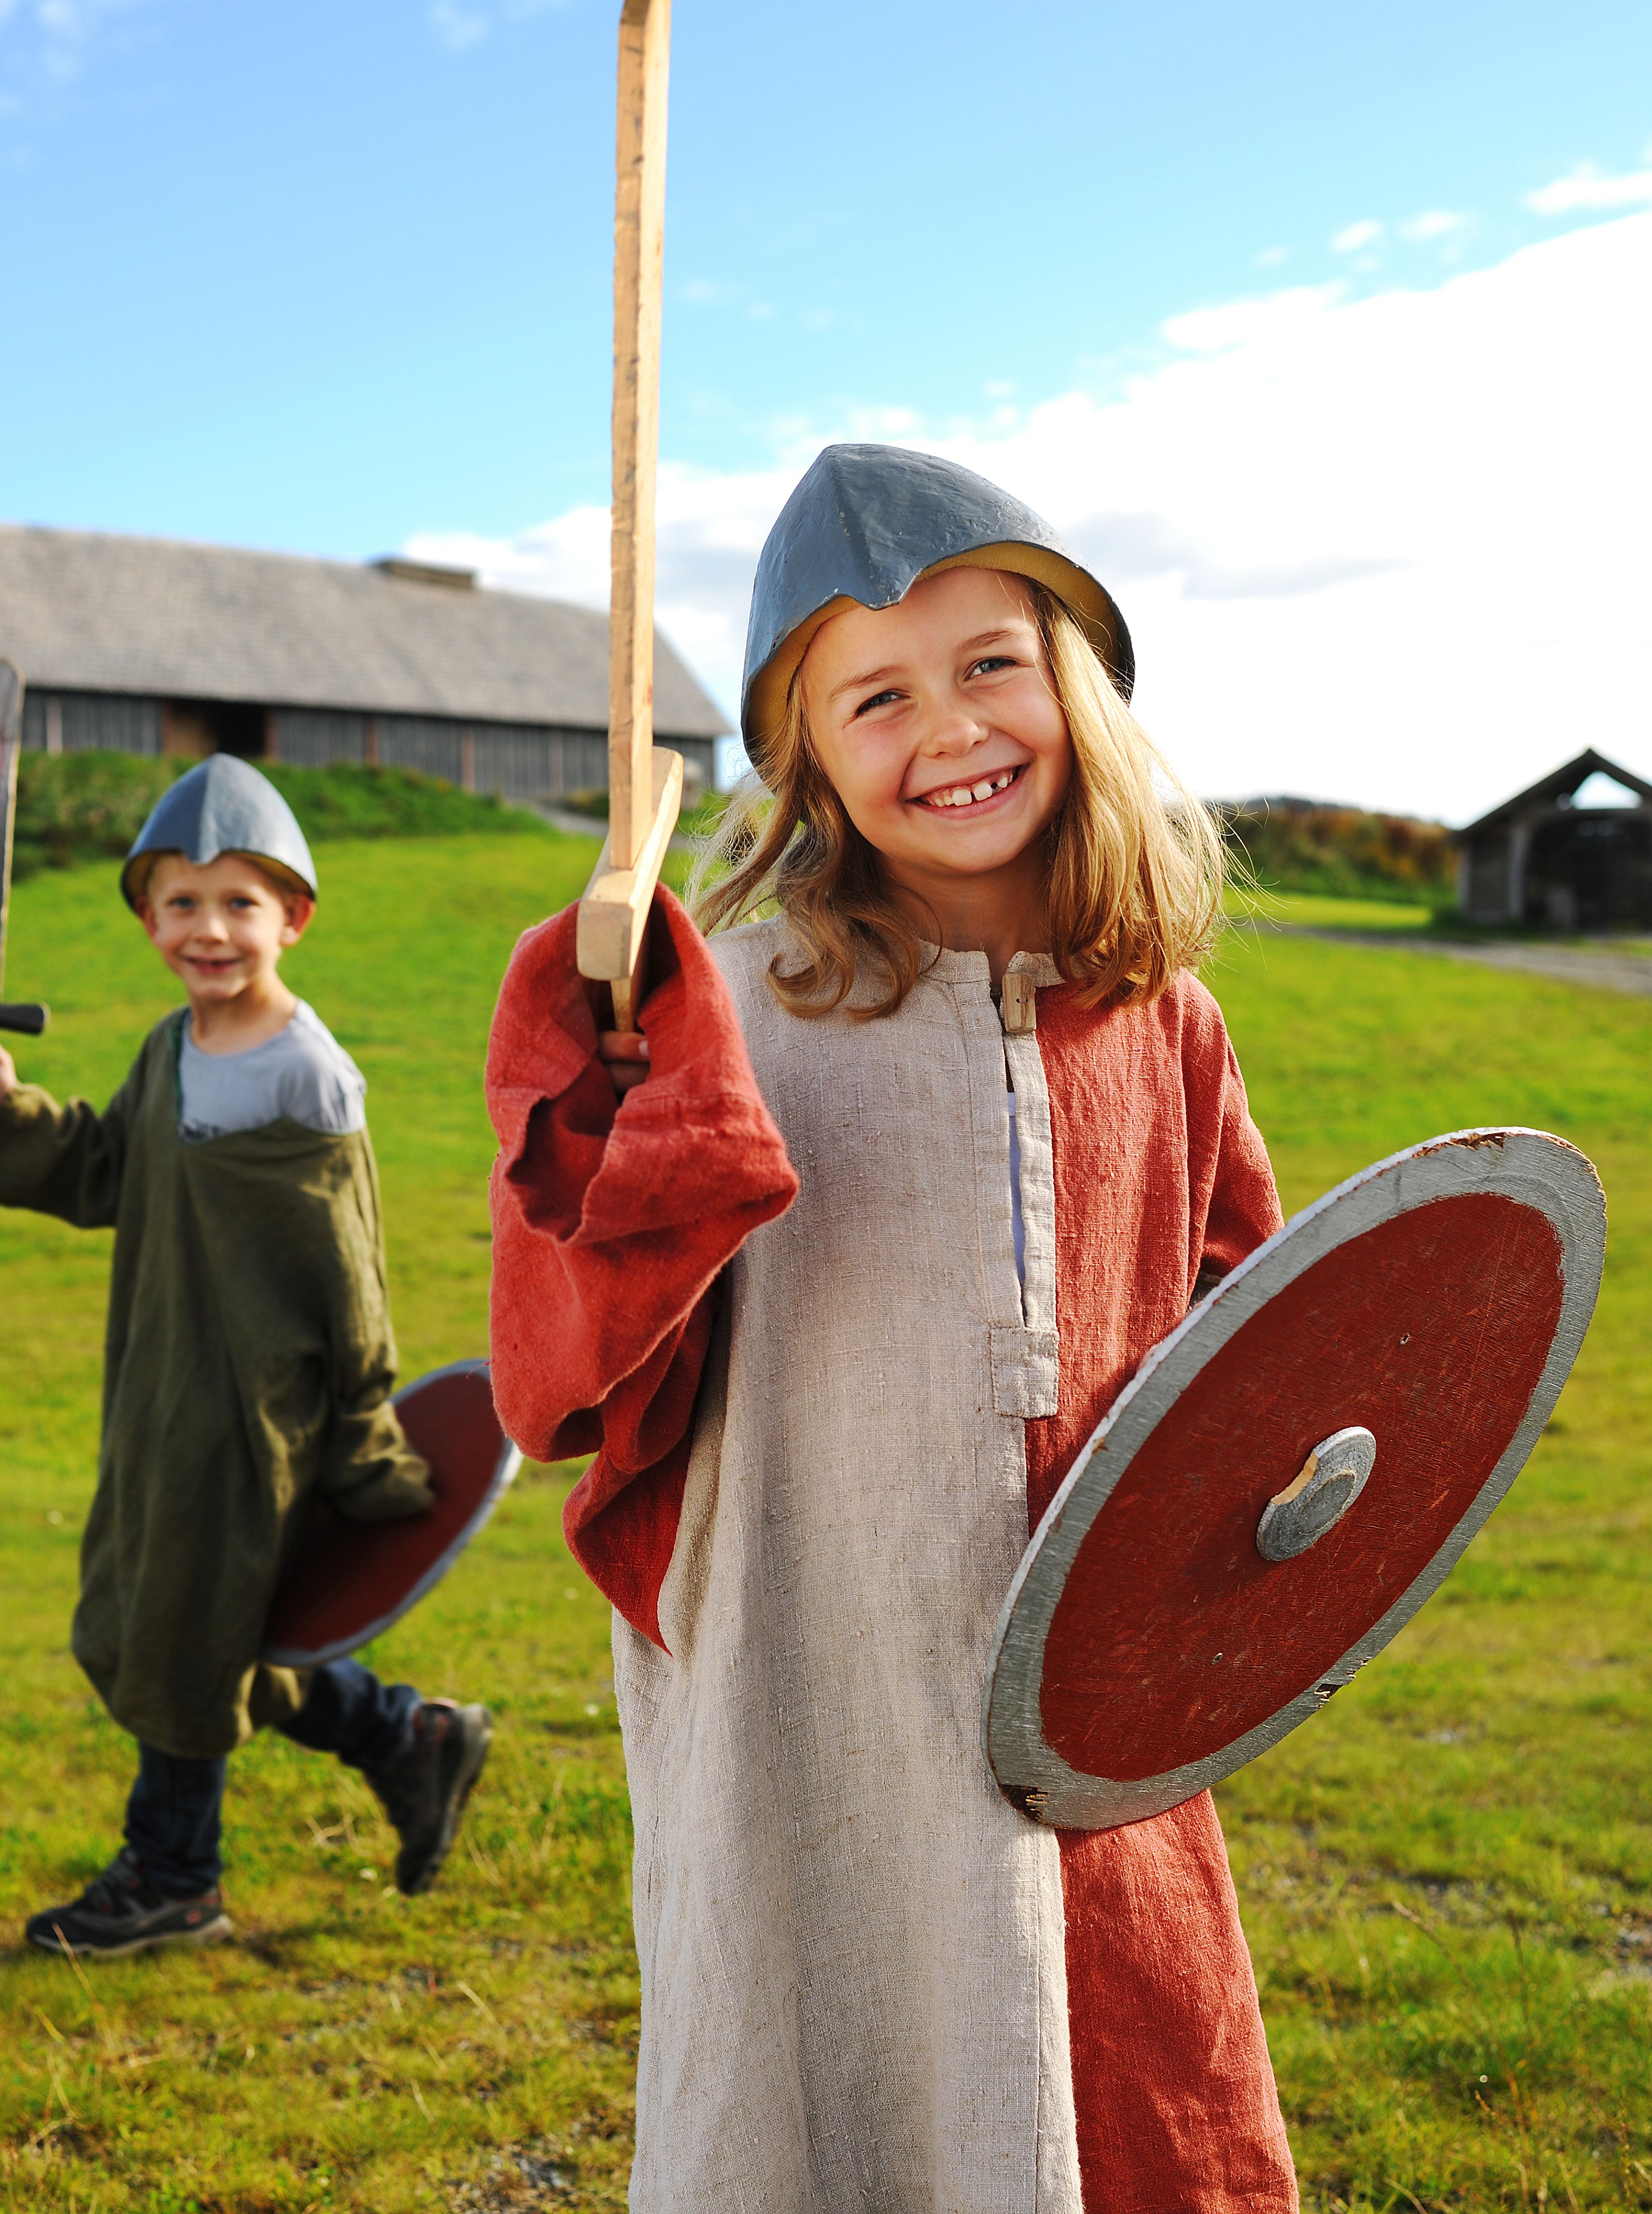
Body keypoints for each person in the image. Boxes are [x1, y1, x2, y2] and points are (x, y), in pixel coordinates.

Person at [484, 446, 1300, 2209]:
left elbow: (1267, 1350)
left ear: (1072, 680)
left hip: (1082, 1689)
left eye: (990, 663)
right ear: (811, 762)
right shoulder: (739, 1017)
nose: (950, 727)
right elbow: (576, 1369)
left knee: (1118, 2083)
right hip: (814, 1673)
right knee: (826, 2087)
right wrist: (601, 1092)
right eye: (878, 694)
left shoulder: (1168, 1027)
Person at [0, 754, 492, 1959]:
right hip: (158, 1388)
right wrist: (3, 1109)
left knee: (187, 1635)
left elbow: (350, 1276)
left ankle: (174, 1877)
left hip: (258, 1415)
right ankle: (409, 1737)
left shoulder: (309, 1076)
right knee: (168, 1624)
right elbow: (106, 1172)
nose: (209, 929)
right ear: (148, 920)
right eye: (180, 902)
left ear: (292, 917)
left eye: (239, 901)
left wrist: (364, 1430)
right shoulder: (171, 1049)